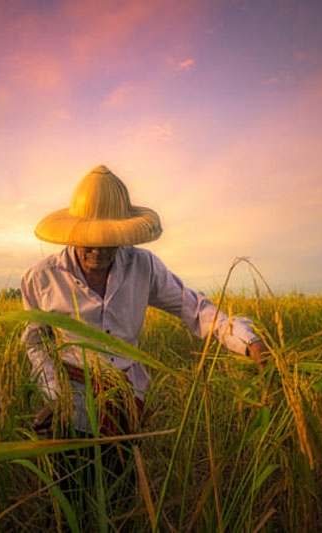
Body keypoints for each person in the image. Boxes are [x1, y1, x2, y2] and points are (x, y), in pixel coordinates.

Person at [21, 165, 269, 438]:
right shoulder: (42, 279)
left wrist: (250, 342)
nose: (98, 249)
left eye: (109, 239)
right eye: (89, 239)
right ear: (74, 232)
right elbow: (37, 343)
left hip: (127, 401)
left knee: (123, 474)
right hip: (73, 408)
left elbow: (196, 310)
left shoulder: (143, 267)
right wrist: (55, 398)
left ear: (122, 234)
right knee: (72, 479)